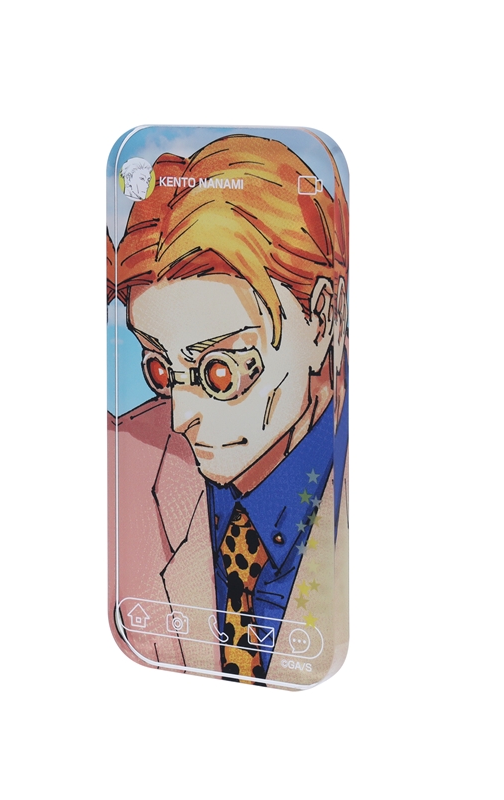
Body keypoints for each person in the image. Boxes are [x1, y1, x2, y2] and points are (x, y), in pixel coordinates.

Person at [108, 134, 349, 685]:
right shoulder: (127, 459)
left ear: (320, 321)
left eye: (222, 371)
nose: (180, 418)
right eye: (161, 371)